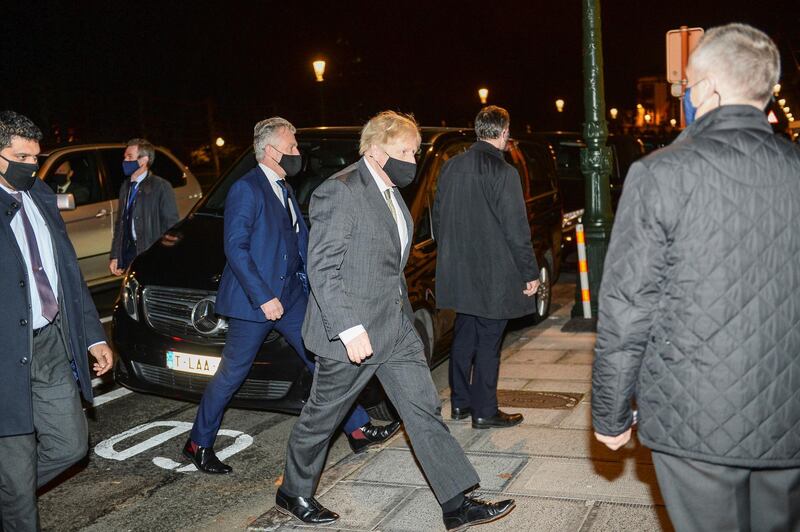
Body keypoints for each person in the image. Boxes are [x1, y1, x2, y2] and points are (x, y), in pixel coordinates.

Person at [592, 23, 800, 532]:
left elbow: (628, 305)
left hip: (696, 417)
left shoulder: (661, 174)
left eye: (687, 88)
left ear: (706, 89)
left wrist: (610, 413)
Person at [278, 111, 516, 530]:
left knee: (423, 409)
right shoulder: (342, 192)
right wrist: (349, 329)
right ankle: (293, 491)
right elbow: (323, 269)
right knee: (323, 416)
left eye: (415, 151)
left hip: (394, 327)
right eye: (405, 151)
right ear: (375, 150)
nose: (412, 159)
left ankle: (457, 503)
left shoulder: (390, 193)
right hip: (351, 333)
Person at [183, 117, 399, 474]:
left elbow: (300, 243)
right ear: (271, 151)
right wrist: (264, 297)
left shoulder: (283, 188)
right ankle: (198, 443)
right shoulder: (247, 189)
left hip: (291, 296)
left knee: (325, 360)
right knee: (232, 374)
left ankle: (358, 428)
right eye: (293, 148)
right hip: (257, 302)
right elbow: (236, 249)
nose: (299, 154)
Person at [0, 110, 114, 530]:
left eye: (34, 157)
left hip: (49, 341)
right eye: (19, 157)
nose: (30, 165)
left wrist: (91, 335)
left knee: (71, 445)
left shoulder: (40, 195)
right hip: (4, 355)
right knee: (15, 474)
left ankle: (11, 499)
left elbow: (67, 274)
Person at [432, 105, 540, 429]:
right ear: (504, 132)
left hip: (460, 271)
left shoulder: (451, 167)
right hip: (493, 275)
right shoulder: (504, 172)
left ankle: (460, 404)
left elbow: (437, 217)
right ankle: (485, 410)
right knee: (489, 342)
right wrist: (530, 273)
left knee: (464, 336)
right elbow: (516, 230)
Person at [109, 138, 178, 276]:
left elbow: (171, 226)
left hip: (151, 253)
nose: (125, 161)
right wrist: (116, 255)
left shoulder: (160, 187)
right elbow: (120, 224)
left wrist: (165, 257)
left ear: (144, 160)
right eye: (125, 157)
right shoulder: (125, 187)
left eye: (130, 157)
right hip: (130, 253)